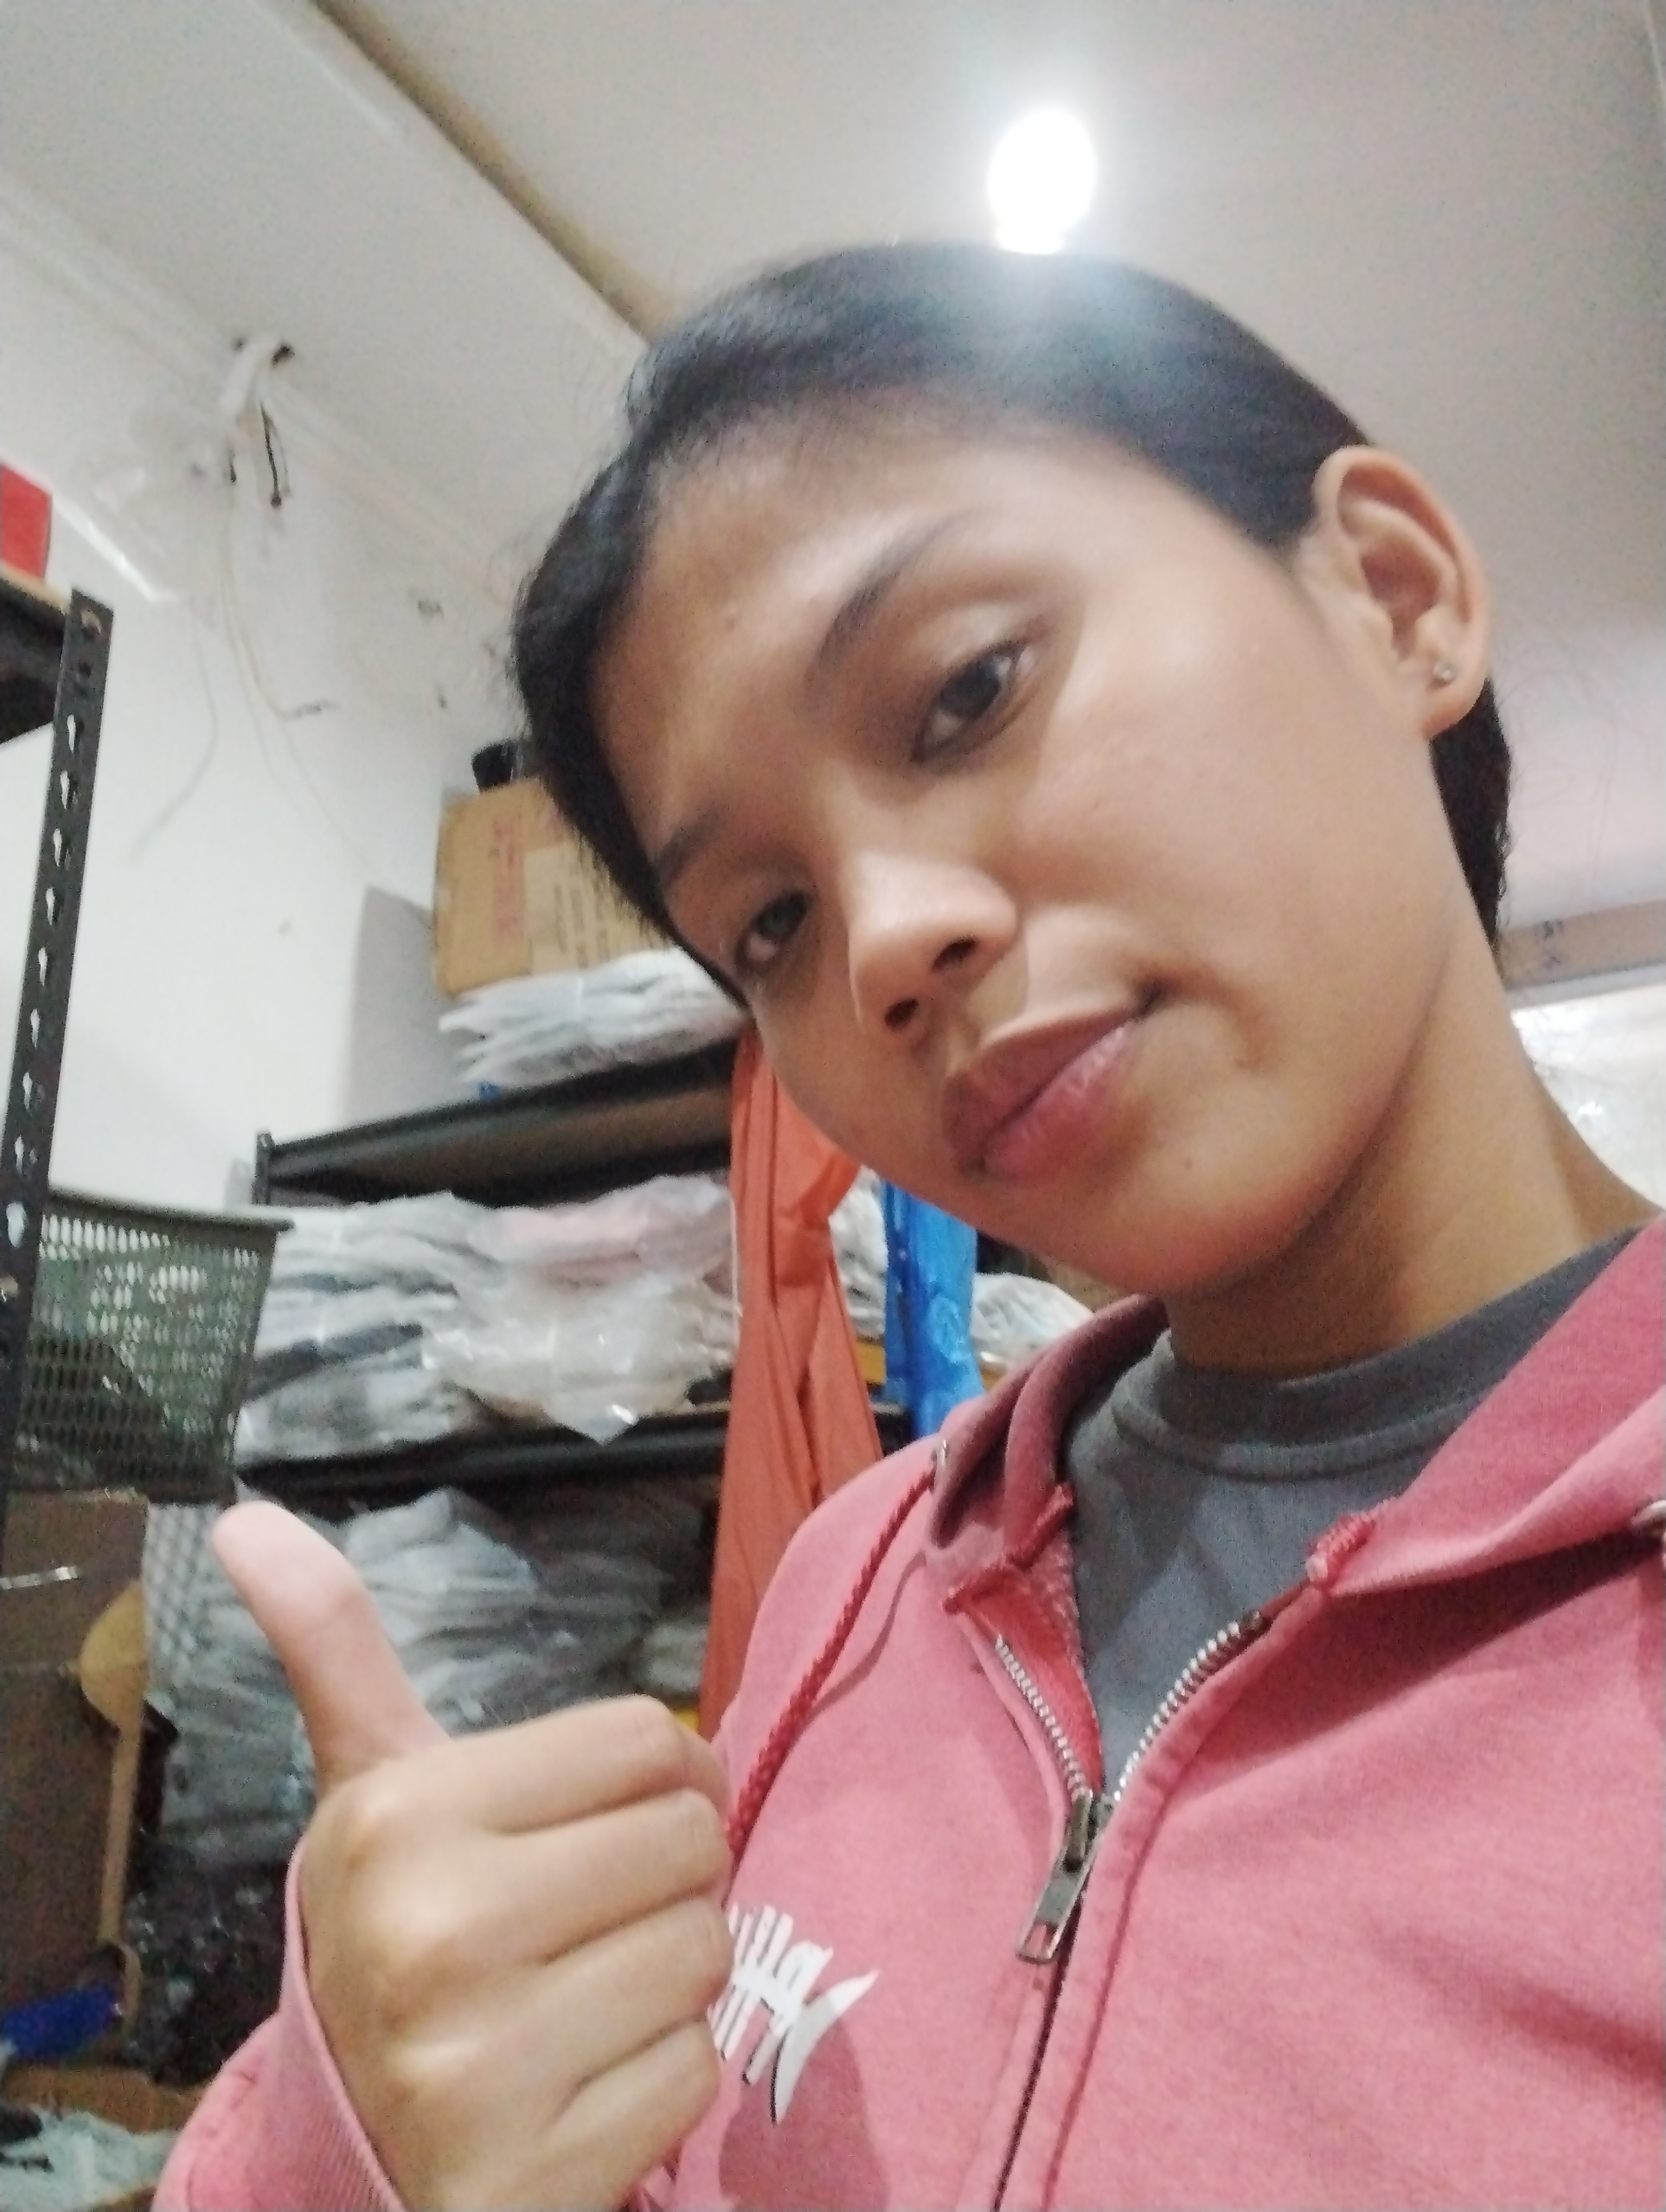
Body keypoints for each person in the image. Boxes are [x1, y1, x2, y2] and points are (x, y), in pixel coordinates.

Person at [157, 245, 1663, 2212]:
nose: (883, 942)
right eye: (770, 922)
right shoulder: (870, 1579)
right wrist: (355, 2138)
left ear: (1391, 594)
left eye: (969, 691)